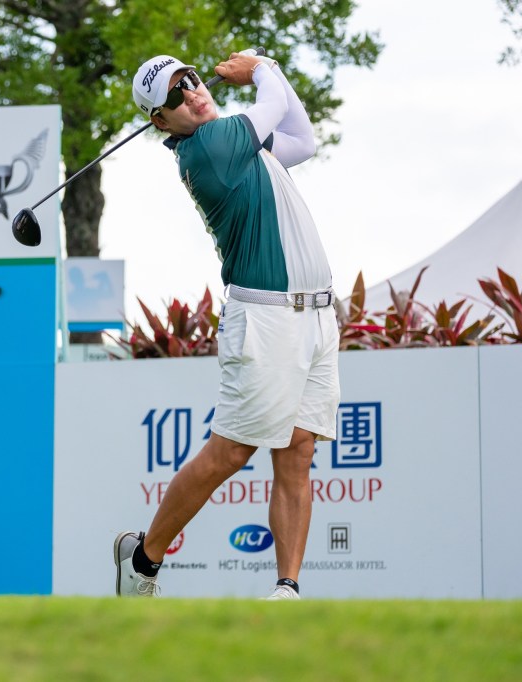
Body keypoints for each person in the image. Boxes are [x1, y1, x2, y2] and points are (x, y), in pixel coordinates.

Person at [115, 51, 340, 600]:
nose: (193, 93)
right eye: (175, 96)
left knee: (299, 450)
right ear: (161, 121)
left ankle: (287, 589)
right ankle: (142, 560)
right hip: (266, 318)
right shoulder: (210, 147)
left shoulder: (242, 145)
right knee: (231, 452)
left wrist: (269, 70)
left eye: (190, 79)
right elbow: (273, 103)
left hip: (316, 317)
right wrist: (260, 69)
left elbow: (304, 140)